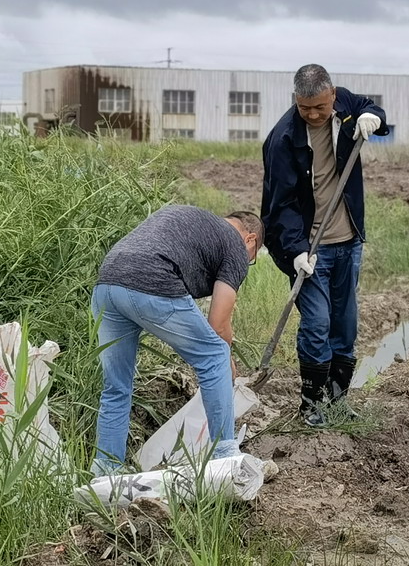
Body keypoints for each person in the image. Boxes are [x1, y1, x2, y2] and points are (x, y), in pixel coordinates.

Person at [90, 204, 263, 476]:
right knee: (215, 356)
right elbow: (218, 323)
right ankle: (226, 459)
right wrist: (226, 360)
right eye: (252, 256)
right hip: (152, 279)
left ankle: (105, 470)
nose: (247, 261)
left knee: (116, 387)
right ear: (250, 239)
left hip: (107, 283)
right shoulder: (235, 244)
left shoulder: (202, 228)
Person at [261, 64, 389, 426]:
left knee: (344, 325)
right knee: (317, 323)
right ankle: (311, 404)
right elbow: (280, 205)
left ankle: (338, 401)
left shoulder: (344, 104)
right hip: (310, 250)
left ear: (332, 94)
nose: (314, 114)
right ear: (295, 100)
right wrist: (295, 250)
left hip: (348, 242)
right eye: (305, 108)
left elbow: (373, 110)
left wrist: (372, 117)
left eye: (320, 106)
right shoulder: (283, 139)